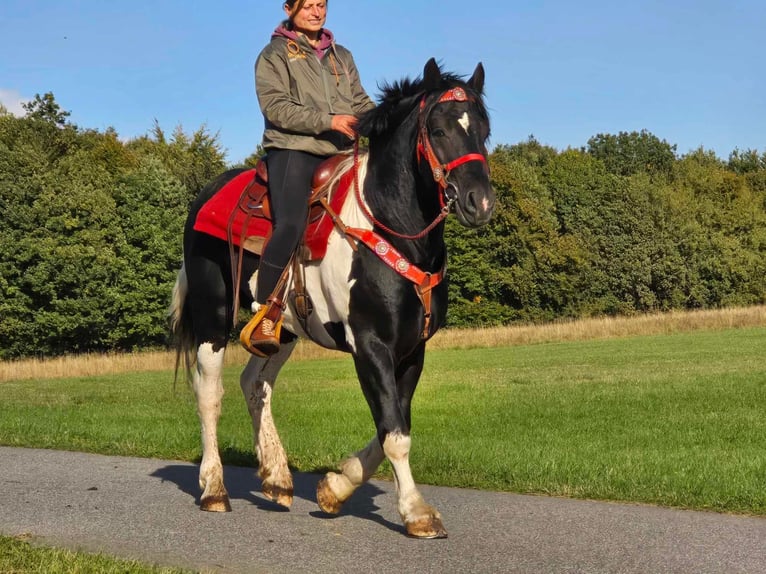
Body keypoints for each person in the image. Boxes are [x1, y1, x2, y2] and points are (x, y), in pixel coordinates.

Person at [249, 0, 374, 355]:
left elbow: (360, 102)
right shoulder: (273, 54)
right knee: (289, 224)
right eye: (308, 6)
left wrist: (387, 119)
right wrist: (328, 121)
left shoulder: (341, 55)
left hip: (340, 150)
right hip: (293, 148)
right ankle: (266, 313)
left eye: (322, 5)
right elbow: (275, 107)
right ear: (289, 8)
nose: (317, 12)